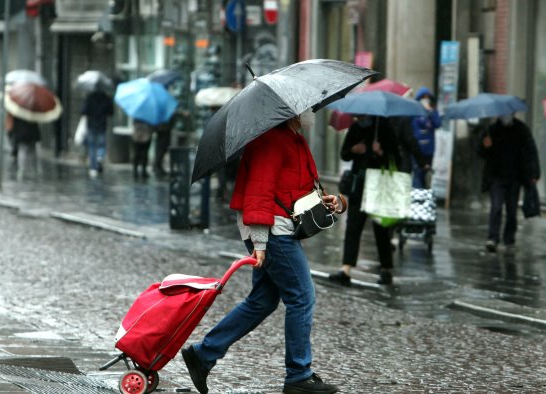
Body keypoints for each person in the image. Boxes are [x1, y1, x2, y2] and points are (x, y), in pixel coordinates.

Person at [181, 112, 340, 394]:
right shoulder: (270, 141)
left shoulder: (294, 139)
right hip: (272, 230)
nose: (312, 113)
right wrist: (260, 242)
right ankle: (298, 376)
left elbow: (300, 188)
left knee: (262, 301)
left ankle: (203, 354)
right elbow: (259, 192)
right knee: (302, 297)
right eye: (308, 109)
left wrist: (333, 201)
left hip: (280, 226)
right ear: (293, 111)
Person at [328, 115, 427, 286]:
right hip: (359, 186)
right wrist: (354, 150)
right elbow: (344, 154)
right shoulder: (355, 128)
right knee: (353, 227)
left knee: (381, 229)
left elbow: (396, 157)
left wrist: (381, 152)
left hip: (379, 187)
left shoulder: (384, 127)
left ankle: (386, 269)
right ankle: (346, 268)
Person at [477, 114, 540, 252]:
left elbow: (530, 151)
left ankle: (509, 238)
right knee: (496, 207)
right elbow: (481, 153)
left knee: (511, 210)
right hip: (496, 176)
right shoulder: (491, 130)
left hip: (514, 177)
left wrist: (534, 173)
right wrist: (485, 145)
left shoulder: (521, 129)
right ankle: (493, 238)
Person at [411, 86, 441, 187]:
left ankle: (423, 197)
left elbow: (438, 124)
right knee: (417, 175)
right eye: (423, 97)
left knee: (424, 174)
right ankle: (418, 199)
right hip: (417, 149)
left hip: (429, 150)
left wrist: (430, 112)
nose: (425, 99)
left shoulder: (433, 111)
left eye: (427, 97)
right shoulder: (413, 111)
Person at [81, 90, 114, 178]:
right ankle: (100, 157)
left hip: (91, 125)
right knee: (101, 145)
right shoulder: (106, 98)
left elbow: (83, 111)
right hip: (102, 125)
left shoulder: (90, 97)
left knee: (92, 147)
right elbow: (111, 112)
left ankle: (93, 168)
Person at [11, 114, 41, 181]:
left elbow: (14, 123)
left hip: (22, 133)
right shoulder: (33, 111)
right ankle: (32, 170)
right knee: (31, 151)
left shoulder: (18, 111)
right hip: (31, 133)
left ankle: (22, 169)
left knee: (23, 150)